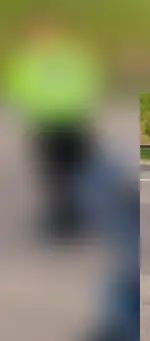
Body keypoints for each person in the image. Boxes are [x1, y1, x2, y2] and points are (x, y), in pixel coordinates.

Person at [3, 15, 103, 243]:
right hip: (47, 126)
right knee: (55, 177)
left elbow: (88, 86)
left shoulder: (70, 59)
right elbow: (18, 91)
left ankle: (71, 220)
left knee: (71, 175)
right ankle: (65, 222)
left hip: (70, 124)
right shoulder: (31, 62)